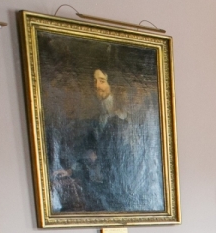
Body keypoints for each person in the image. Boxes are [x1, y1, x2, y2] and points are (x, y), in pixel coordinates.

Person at [50, 68, 150, 212]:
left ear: (112, 86)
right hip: (101, 187)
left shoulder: (124, 120)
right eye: (94, 81)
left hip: (121, 188)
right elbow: (91, 153)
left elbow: (131, 158)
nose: (97, 86)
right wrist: (71, 170)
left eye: (102, 81)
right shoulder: (97, 120)